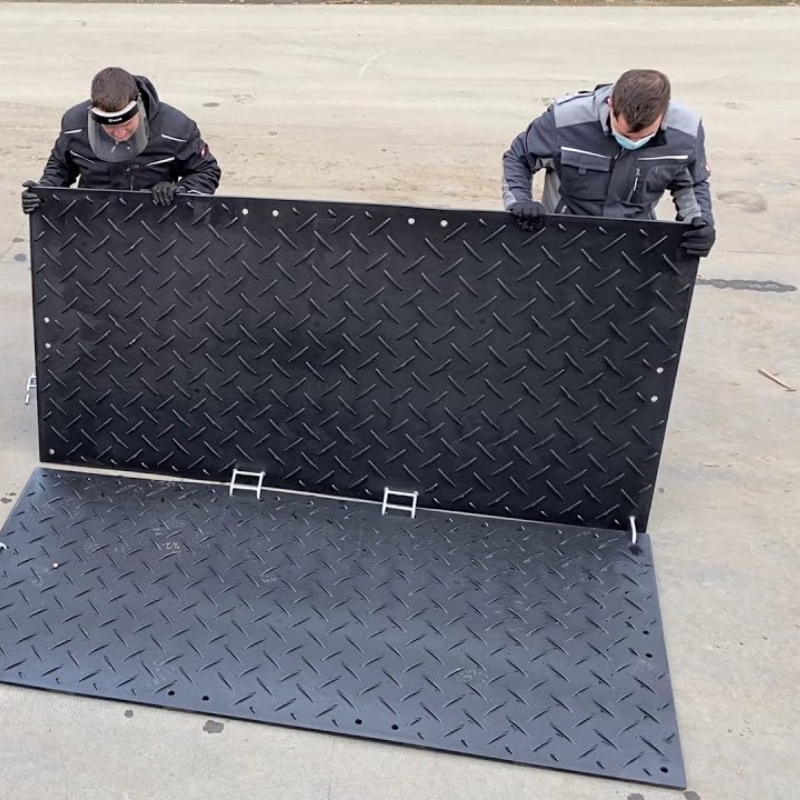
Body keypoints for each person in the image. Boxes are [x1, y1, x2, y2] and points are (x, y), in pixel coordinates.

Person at [502, 69, 716, 258]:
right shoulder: (566, 121)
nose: (633, 142)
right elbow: (519, 157)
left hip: (635, 243)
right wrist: (520, 201)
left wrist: (699, 222)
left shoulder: (686, 133)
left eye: (643, 136)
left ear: (663, 115)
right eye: (625, 134)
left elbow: (691, 182)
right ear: (610, 104)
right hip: (562, 237)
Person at [22, 67, 221, 213]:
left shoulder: (176, 129)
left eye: (127, 125)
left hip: (156, 217)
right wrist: (43, 191)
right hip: (92, 219)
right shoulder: (74, 125)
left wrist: (180, 191)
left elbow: (207, 170)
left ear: (139, 109)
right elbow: (60, 167)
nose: (120, 134)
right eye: (110, 127)